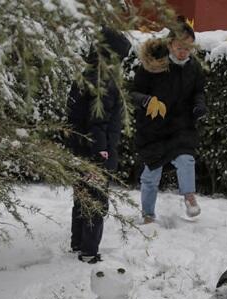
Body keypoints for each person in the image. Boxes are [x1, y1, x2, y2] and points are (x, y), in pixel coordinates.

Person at [131, 16, 207, 224]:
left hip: (181, 126)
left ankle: (189, 196)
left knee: (186, 159)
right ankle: (148, 214)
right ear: (170, 44)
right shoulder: (155, 64)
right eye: (180, 46)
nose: (184, 52)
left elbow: (198, 91)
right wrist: (147, 101)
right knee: (151, 175)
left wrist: (199, 105)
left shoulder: (194, 68)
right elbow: (132, 93)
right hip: (153, 129)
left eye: (188, 48)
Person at [67, 27, 131, 264]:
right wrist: (101, 155)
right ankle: (89, 251)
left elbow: (74, 116)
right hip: (95, 154)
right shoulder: (105, 83)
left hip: (78, 150)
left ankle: (77, 243)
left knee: (82, 198)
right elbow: (98, 121)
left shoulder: (85, 75)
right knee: (95, 201)